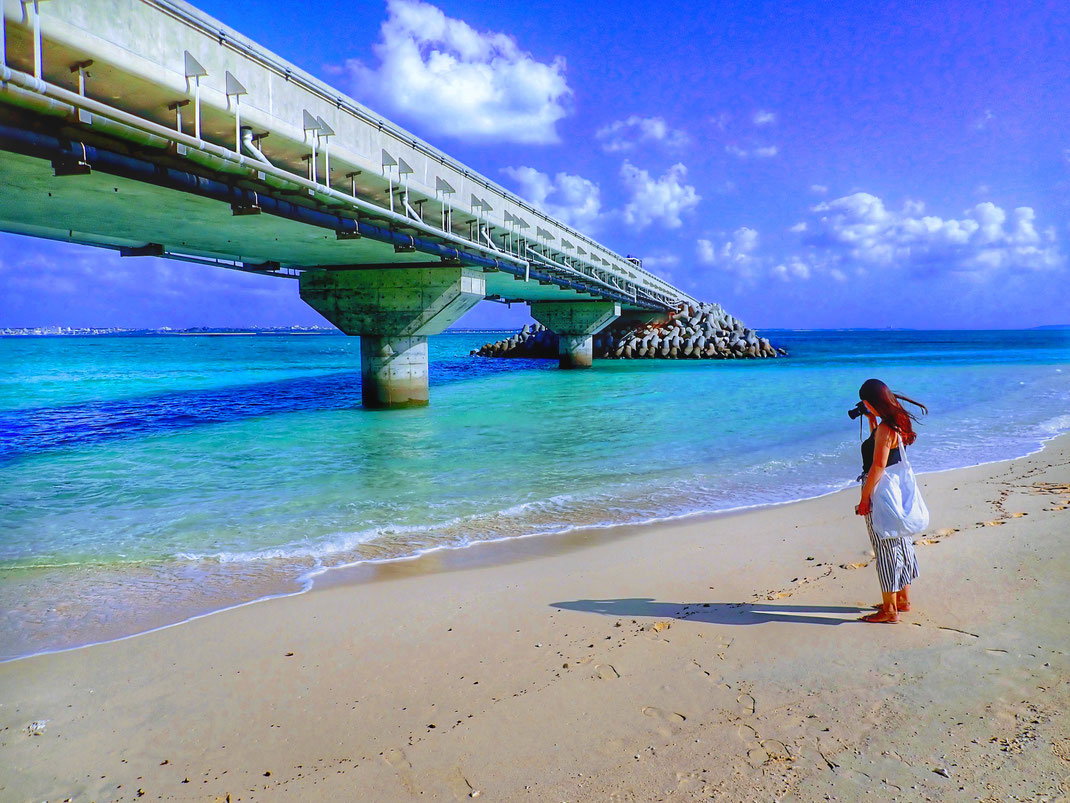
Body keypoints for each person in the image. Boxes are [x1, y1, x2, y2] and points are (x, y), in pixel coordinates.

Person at [853, 378, 928, 623]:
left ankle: (889, 610)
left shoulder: (886, 429)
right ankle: (903, 600)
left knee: (885, 548)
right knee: (902, 543)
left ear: (870, 402)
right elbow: (886, 449)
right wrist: (872, 419)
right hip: (896, 493)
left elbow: (878, 465)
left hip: (880, 492)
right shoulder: (896, 423)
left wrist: (864, 499)